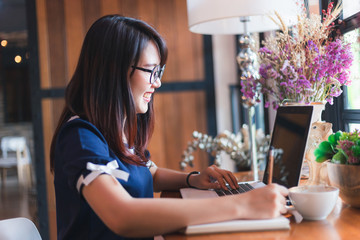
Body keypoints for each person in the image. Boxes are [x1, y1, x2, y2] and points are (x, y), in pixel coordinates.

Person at [50, 15, 289, 240]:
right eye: (151, 71)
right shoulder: (81, 136)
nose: (158, 82)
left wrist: (192, 179)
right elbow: (122, 215)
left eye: (159, 71)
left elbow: (147, 173)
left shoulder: (116, 128)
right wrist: (243, 204)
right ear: (114, 71)